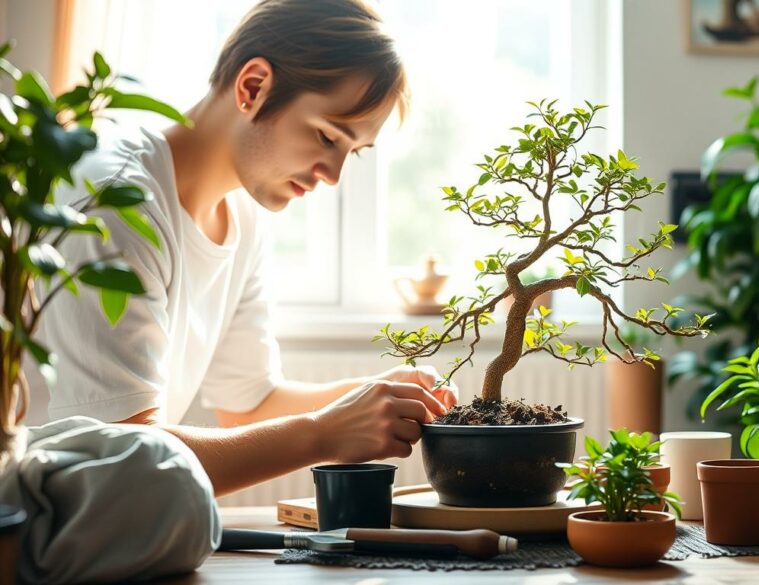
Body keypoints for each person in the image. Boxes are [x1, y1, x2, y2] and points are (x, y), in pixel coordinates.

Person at [37, 0, 457, 496]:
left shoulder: (242, 214)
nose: (334, 175)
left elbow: (250, 402)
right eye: (327, 136)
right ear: (253, 87)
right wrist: (324, 434)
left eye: (352, 151)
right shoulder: (116, 202)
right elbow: (126, 459)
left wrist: (375, 397)